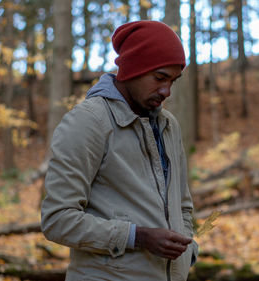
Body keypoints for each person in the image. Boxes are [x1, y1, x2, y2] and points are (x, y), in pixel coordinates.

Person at [41, 20, 198, 281]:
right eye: (159, 78)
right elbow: (58, 220)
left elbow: (183, 206)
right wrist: (138, 237)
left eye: (173, 80)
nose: (166, 91)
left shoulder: (169, 125)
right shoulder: (88, 122)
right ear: (132, 68)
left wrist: (188, 250)